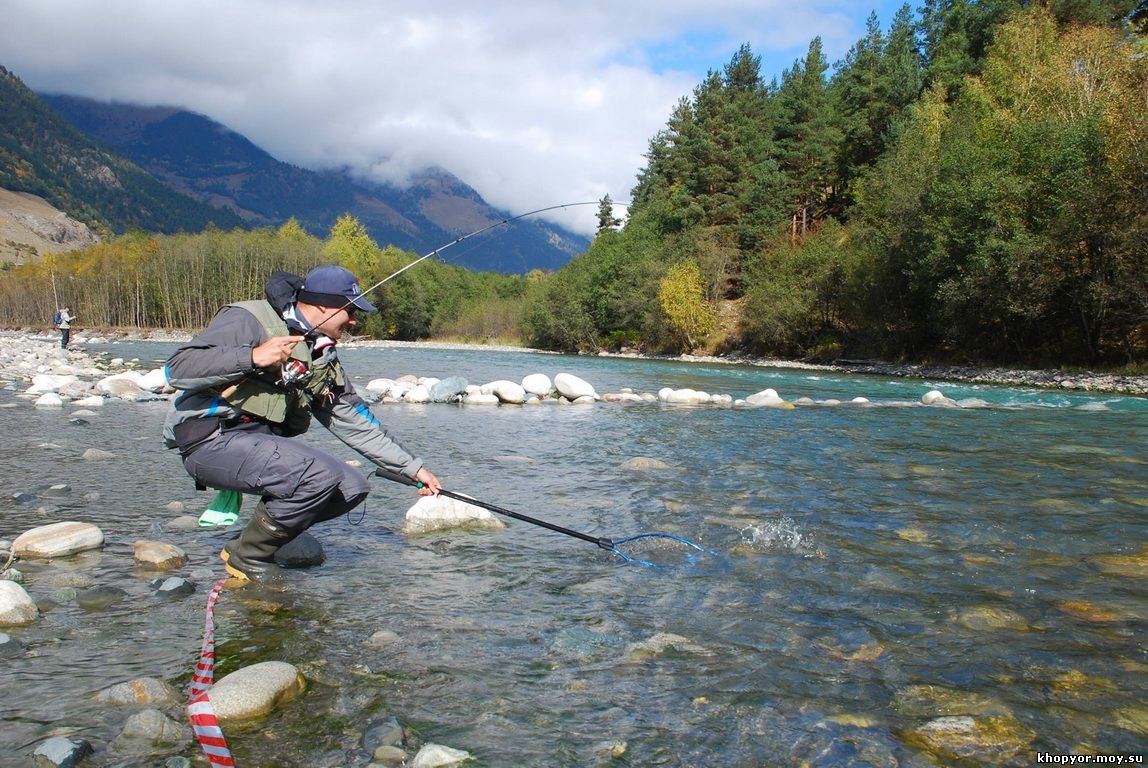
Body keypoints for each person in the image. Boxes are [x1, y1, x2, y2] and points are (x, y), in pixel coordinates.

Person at [162, 264, 442, 584]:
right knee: (317, 476)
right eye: (350, 311)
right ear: (323, 305)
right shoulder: (247, 318)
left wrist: (411, 468)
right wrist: (252, 357)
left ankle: (247, 545)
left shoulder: (320, 351)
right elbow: (176, 370)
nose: (354, 320)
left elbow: (353, 418)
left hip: (255, 445)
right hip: (210, 439)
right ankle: (249, 557)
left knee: (351, 487)